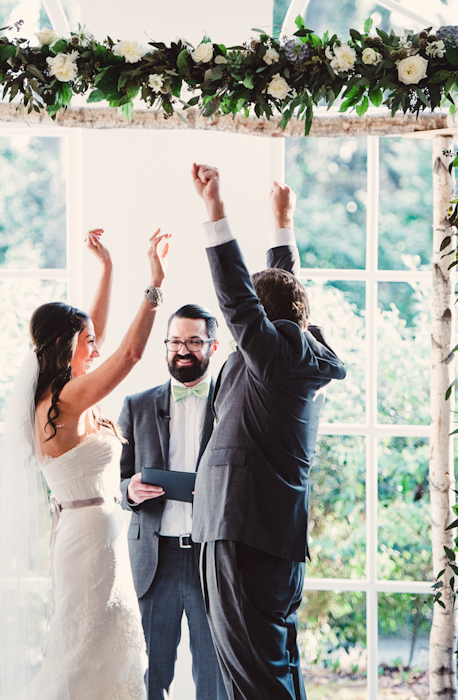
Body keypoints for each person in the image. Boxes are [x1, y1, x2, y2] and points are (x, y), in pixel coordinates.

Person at [0, 227, 169, 700]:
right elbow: (129, 353)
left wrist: (108, 268)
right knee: (83, 654)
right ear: (66, 345)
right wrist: (156, 283)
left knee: (101, 649)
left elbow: (97, 334)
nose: (95, 345)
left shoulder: (65, 390)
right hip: (88, 543)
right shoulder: (64, 401)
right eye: (87, 340)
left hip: (100, 537)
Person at [190, 165, 347, 700]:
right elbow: (284, 298)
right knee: (269, 669)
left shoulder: (273, 356)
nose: (238, 328)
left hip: (243, 531)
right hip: (260, 534)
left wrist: (215, 211)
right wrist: (282, 226)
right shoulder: (293, 353)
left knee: (257, 678)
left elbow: (242, 298)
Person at [118, 303, 227, 700]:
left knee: (213, 677)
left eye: (194, 341)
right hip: (154, 559)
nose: (183, 349)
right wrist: (130, 491)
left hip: (211, 560)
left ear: (213, 347)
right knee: (149, 675)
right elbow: (119, 478)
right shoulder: (137, 404)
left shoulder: (232, 404)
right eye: (175, 341)